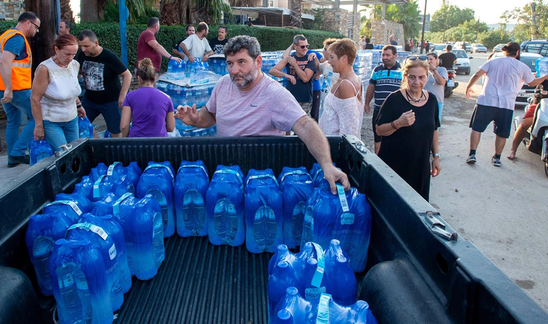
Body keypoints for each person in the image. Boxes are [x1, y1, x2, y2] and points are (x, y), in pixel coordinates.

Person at [174, 35, 349, 194]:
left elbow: (305, 125)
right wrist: (196, 119)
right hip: (226, 177)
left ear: (258, 62)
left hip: (261, 183)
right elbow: (211, 114)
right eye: (230, 63)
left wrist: (326, 164)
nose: (234, 70)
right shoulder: (223, 83)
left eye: (241, 62)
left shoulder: (274, 94)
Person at [465, 42, 548, 167]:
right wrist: (544, 77)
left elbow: (477, 74)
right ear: (518, 52)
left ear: (505, 51)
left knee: (477, 128)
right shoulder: (522, 66)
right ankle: (497, 158)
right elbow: (532, 83)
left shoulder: (493, 62)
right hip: (506, 104)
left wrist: (468, 87)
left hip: (486, 101)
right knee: (502, 132)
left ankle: (472, 154)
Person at [376, 56, 441, 201]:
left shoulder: (431, 100)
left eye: (421, 77)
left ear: (427, 77)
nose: (417, 82)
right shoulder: (394, 99)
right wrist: (398, 123)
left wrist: (436, 157)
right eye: (412, 77)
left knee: (418, 206)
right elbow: (379, 130)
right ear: (405, 77)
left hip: (420, 165)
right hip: (395, 165)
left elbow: (434, 129)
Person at [30, 34, 85, 151]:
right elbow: (35, 98)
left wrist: (79, 105)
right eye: (67, 54)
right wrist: (39, 126)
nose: (70, 58)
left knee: (76, 152)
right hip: (51, 120)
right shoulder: (45, 68)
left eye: (73, 54)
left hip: (71, 117)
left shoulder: (74, 65)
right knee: (64, 153)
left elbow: (70, 88)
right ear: (56, 50)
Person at [0, 12, 40, 167]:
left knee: (13, 120)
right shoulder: (17, 38)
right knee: (36, 116)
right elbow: (5, 62)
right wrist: (9, 89)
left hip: (5, 87)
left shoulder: (5, 35)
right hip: (17, 88)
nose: (36, 31)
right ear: (28, 23)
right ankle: (17, 152)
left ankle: (12, 158)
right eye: (36, 27)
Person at [77, 30, 132, 138]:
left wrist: (122, 95)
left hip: (110, 101)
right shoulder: (81, 55)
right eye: (81, 46)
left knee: (115, 131)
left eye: (86, 46)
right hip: (90, 100)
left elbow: (127, 75)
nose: (83, 49)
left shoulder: (109, 56)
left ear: (96, 43)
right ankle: (98, 146)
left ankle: (116, 153)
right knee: (81, 124)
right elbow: (77, 72)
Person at [318, 39, 363, 138]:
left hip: (335, 148)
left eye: (332, 57)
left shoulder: (346, 85)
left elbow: (350, 129)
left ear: (344, 58)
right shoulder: (349, 80)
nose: (329, 61)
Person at [121, 58, 174, 138]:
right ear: (155, 77)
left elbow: (124, 126)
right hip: (160, 143)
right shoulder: (167, 98)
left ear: (138, 79)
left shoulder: (130, 96)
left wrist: (128, 137)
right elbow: (171, 127)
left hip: (136, 141)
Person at [364, 45, 402, 154]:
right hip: (379, 110)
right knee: (378, 137)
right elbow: (371, 87)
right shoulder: (377, 70)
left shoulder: (402, 70)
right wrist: (367, 103)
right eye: (383, 55)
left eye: (388, 55)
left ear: (395, 56)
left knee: (396, 138)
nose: (385, 57)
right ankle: (379, 161)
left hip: (396, 112)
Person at [269, 35, 317, 115]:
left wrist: (295, 64)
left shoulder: (310, 58)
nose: (305, 48)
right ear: (295, 46)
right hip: (290, 98)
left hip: (304, 99)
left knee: (302, 125)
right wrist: (286, 75)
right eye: (302, 46)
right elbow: (272, 71)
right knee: (289, 124)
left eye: (307, 46)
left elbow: (305, 78)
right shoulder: (289, 58)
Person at [508, 89, 546, 160]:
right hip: (540, 103)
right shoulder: (543, 77)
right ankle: (513, 150)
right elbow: (533, 82)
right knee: (524, 125)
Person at [424, 52, 447, 123]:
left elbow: (441, 82)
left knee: (435, 123)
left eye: (431, 59)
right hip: (424, 100)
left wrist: (434, 70)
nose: (429, 61)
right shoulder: (424, 71)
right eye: (427, 59)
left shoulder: (441, 70)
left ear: (437, 60)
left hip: (437, 101)